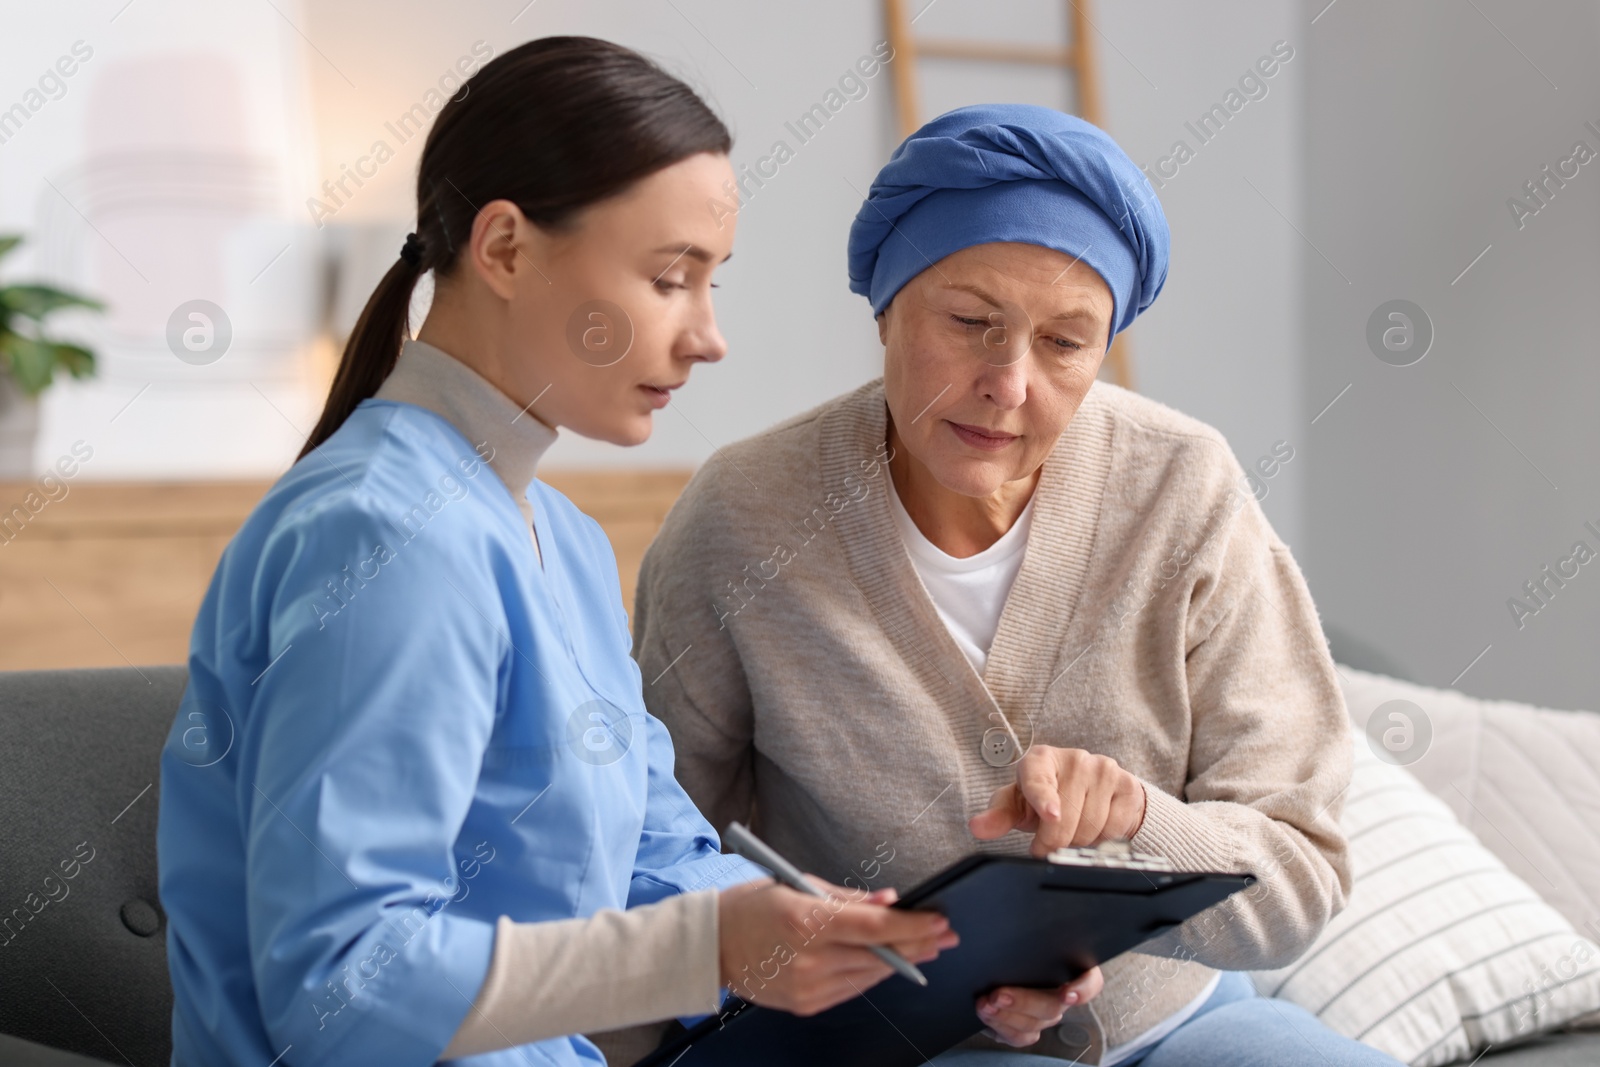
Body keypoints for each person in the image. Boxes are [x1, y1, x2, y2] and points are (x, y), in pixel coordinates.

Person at [154, 37, 956, 1067]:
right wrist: (701, 948)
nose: (709, 336)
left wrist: (869, 937)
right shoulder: (386, 537)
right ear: (503, 249)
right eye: (671, 278)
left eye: (712, 283)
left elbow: (652, 852)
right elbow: (342, 988)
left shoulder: (562, 540)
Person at [633, 104, 1404, 1066]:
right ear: (886, 306)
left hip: (1182, 1019)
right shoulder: (745, 517)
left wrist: (1135, 827)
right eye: (970, 323)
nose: (1010, 382)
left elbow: (1297, 880)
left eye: (1067, 342)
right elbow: (648, 854)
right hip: (895, 1039)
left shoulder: (1184, 485)